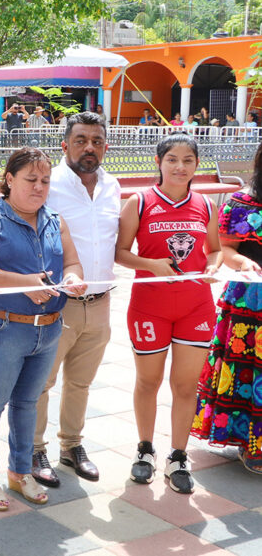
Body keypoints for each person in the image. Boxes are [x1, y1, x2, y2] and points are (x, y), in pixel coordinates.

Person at [0, 147, 87, 511]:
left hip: (47, 329)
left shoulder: (54, 220)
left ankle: (19, 471)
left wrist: (74, 277)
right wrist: (23, 283)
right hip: (1, 328)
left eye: (45, 181)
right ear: (9, 179)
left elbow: (73, 261)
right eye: (31, 179)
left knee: (27, 403)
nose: (39, 187)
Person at [116, 133, 221, 494]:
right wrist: (150, 264)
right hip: (150, 306)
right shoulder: (140, 201)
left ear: (196, 165)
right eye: (172, 159)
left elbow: (215, 250)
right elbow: (120, 252)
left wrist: (212, 267)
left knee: (185, 385)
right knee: (149, 381)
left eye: (188, 160)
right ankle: (145, 450)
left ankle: (178, 456)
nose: (180, 166)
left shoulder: (206, 204)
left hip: (196, 306)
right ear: (158, 162)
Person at [29, 113, 121, 488]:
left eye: (97, 141)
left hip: (100, 303)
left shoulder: (113, 187)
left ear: (106, 147)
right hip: (57, 303)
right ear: (64, 145)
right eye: (81, 139)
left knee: (80, 383)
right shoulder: (48, 186)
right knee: (40, 382)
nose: (89, 147)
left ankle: (71, 446)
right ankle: (33, 450)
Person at [193, 142, 262, 473]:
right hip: (251, 300)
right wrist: (246, 264)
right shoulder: (243, 203)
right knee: (250, 369)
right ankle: (249, 443)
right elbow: (226, 250)